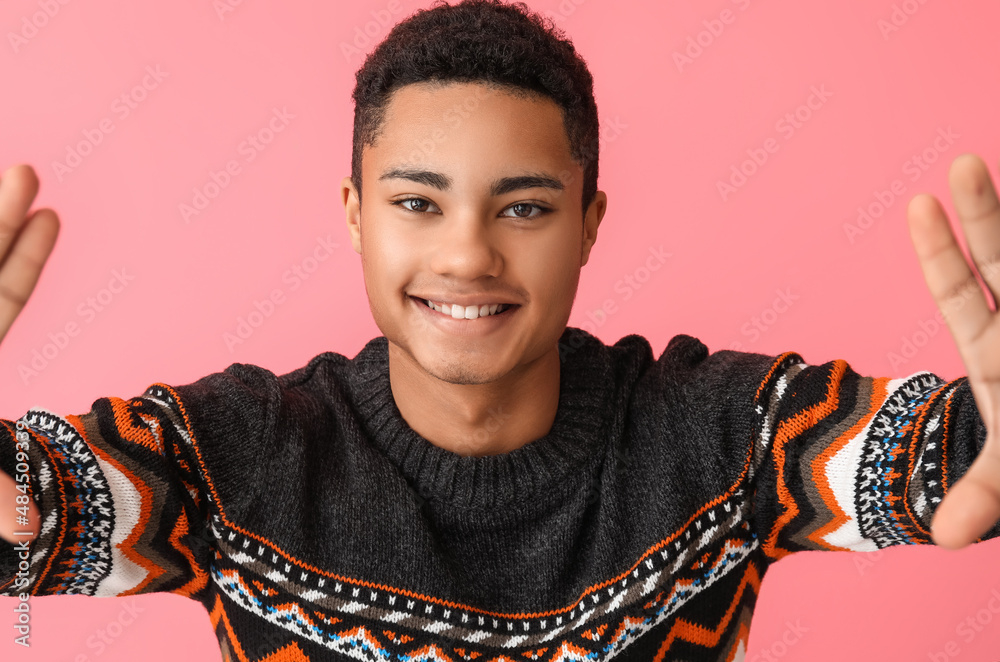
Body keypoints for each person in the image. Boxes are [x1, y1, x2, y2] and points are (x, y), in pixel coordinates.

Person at [2, 1, 999, 660]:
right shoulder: (235, 457)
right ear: (355, 214)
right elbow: (28, 511)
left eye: (523, 208)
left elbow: (949, 454)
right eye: (417, 203)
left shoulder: (728, 438)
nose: (468, 255)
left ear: (589, 223)